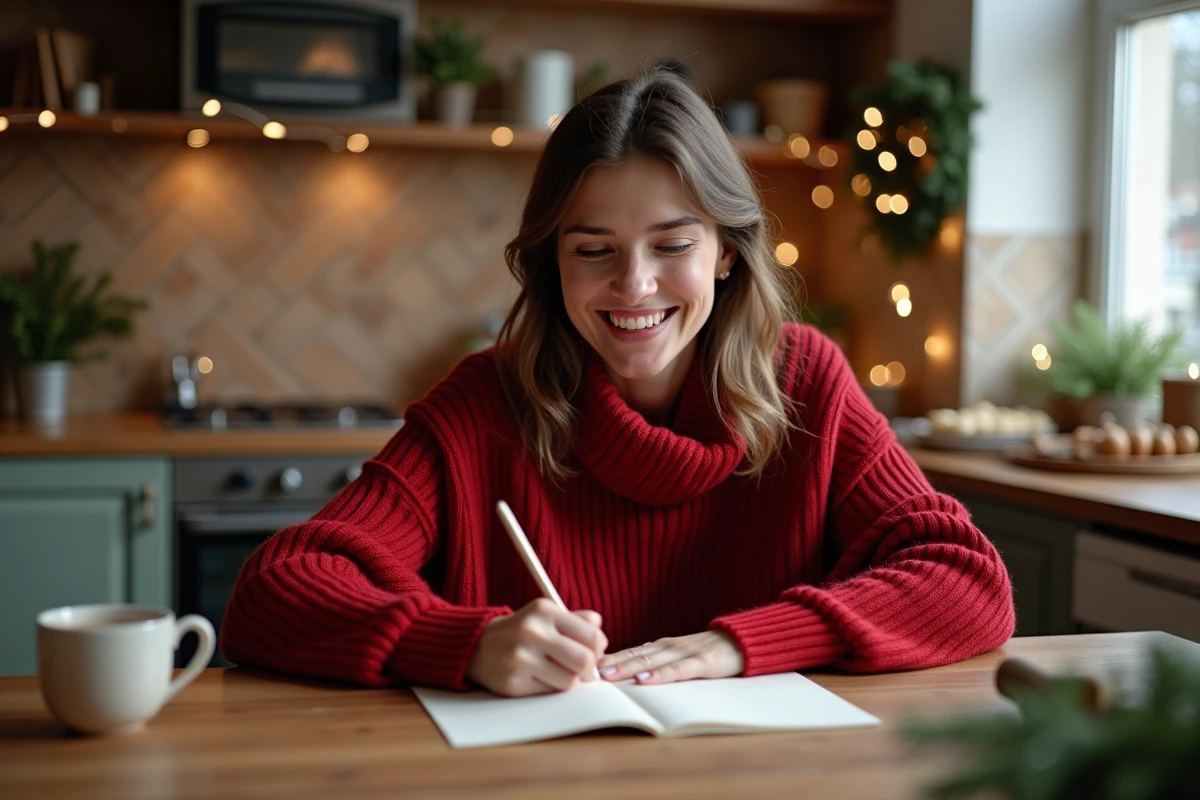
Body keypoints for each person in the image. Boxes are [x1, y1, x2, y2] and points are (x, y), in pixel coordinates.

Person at [221, 69, 1015, 696]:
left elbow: (968, 581)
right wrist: (462, 645)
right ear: (550, 263)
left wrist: (743, 642)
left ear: (727, 251)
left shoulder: (806, 382)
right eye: (593, 250)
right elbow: (274, 592)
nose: (634, 286)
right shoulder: (484, 403)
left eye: (672, 244)